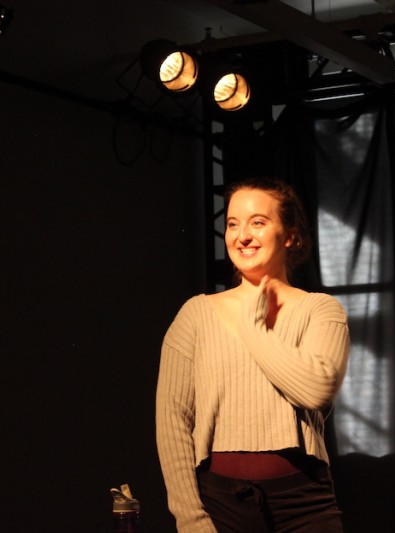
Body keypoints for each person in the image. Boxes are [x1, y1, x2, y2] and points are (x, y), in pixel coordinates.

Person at [156, 176, 351, 533]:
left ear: (290, 235)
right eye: (232, 224)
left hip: (304, 502)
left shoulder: (320, 310)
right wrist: (191, 519)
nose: (242, 235)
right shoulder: (196, 315)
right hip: (219, 504)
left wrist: (253, 326)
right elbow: (173, 423)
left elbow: (316, 388)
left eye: (258, 222)